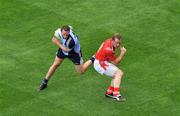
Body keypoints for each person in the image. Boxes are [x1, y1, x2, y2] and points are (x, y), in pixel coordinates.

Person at [39, 25, 93, 91]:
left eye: (66, 35)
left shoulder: (72, 41)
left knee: (81, 72)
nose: (65, 36)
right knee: (55, 64)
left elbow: (66, 49)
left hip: (74, 53)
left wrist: (56, 42)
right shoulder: (59, 31)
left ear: (69, 32)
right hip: (63, 49)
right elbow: (56, 36)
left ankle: (93, 58)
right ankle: (44, 82)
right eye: (63, 34)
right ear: (61, 31)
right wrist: (56, 39)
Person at [93, 33, 126, 101]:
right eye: (116, 43)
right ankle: (116, 95)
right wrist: (122, 53)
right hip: (100, 63)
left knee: (116, 75)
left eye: (119, 43)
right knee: (119, 73)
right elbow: (115, 62)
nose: (118, 45)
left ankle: (109, 92)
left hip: (101, 61)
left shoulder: (110, 41)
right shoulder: (108, 49)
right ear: (112, 40)